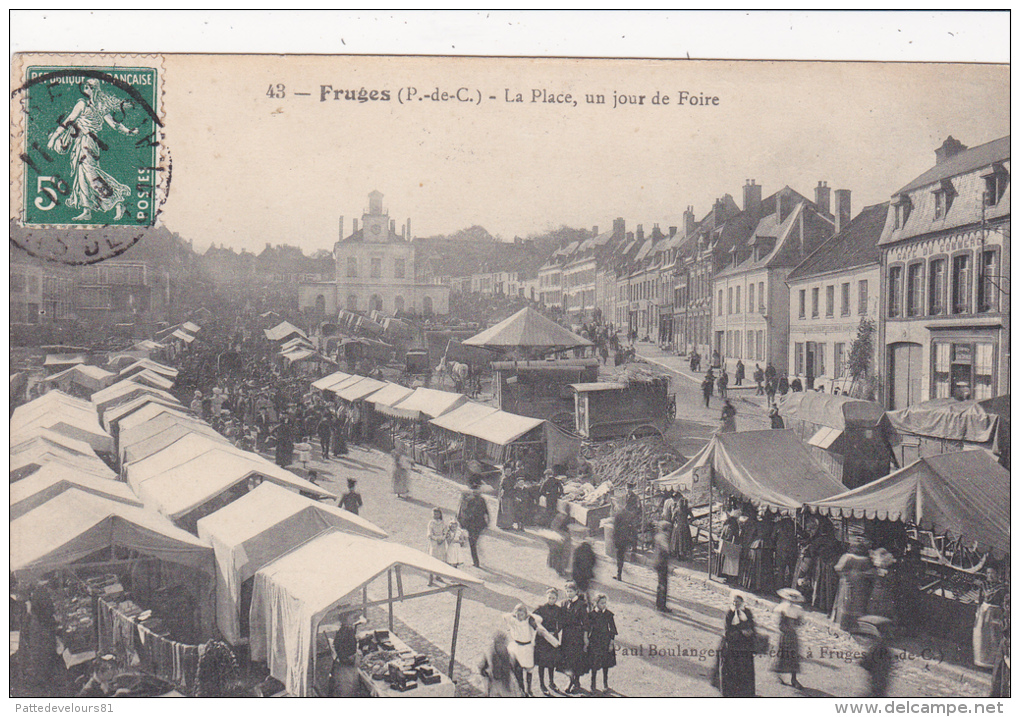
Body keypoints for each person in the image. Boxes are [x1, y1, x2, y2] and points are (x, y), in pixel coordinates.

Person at [46, 77, 136, 221]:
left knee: (90, 175)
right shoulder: (89, 105)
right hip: (81, 143)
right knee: (81, 176)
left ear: (90, 88)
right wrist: (128, 131)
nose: (86, 89)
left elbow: (114, 124)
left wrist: (53, 138)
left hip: (88, 143)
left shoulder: (94, 106)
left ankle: (117, 201)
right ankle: (87, 210)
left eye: (87, 87)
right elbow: (69, 122)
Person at [711, 590, 757, 697]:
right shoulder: (730, 614)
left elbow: (752, 627)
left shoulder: (747, 613)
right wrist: (741, 632)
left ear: (742, 602)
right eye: (734, 602)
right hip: (731, 646)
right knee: (730, 670)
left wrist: (750, 633)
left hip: (744, 647)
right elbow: (727, 631)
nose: (736, 604)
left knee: (744, 670)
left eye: (738, 602)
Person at [832, 540, 874, 633]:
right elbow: (871, 572)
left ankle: (843, 624)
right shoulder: (866, 560)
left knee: (846, 601)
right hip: (861, 584)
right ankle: (856, 625)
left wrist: (844, 575)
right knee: (858, 603)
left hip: (847, 582)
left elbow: (838, 568)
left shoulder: (847, 557)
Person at [771, 588, 805, 689]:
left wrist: (797, 623)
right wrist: (783, 626)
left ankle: (794, 679)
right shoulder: (781, 608)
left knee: (793, 656)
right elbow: (777, 622)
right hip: (784, 634)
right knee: (781, 654)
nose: (791, 600)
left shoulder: (798, 609)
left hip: (792, 635)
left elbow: (800, 622)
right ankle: (778, 675)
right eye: (790, 598)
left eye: (794, 598)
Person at [560, 581, 589, 694]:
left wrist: (585, 637)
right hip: (566, 635)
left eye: (571, 591)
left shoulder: (581, 605)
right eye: (567, 591)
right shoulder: (563, 603)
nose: (569, 593)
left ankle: (575, 682)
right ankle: (571, 681)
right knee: (567, 659)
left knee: (576, 659)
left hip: (577, 635)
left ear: (576, 591)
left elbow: (586, 623)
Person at [974, 567, 1007, 668]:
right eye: (988, 573)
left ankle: (992, 663)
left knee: (993, 637)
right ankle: (980, 660)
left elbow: (1004, 604)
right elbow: (980, 599)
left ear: (998, 575)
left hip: (995, 613)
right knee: (981, 635)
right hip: (983, 612)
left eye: (992, 573)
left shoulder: (1003, 588)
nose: (990, 576)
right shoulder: (984, 585)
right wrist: (978, 610)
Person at [534, 588, 564, 695]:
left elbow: (561, 623)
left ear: (556, 599)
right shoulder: (540, 609)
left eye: (553, 598)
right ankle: (542, 684)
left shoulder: (558, 609)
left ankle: (551, 682)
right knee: (542, 662)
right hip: (542, 639)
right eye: (549, 598)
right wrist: (540, 631)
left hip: (552, 638)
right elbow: (533, 620)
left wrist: (555, 631)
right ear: (546, 597)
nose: (551, 600)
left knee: (551, 662)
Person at [587, 594, 618, 693]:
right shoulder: (591, 615)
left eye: (605, 603)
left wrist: (611, 643)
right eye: (601, 603)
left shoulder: (609, 614)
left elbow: (612, 629)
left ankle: (605, 684)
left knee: (605, 663)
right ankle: (593, 685)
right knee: (594, 664)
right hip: (595, 642)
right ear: (596, 603)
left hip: (605, 641)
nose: (604, 605)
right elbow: (587, 629)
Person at [857, 615, 894, 697]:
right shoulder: (887, 649)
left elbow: (866, 663)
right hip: (882, 682)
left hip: (876, 683)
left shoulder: (876, 648)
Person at [458, 479, 490, 568]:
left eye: (477, 490)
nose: (476, 492)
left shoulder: (480, 500)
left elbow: (486, 512)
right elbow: (464, 511)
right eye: (475, 490)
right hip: (473, 525)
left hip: (477, 525)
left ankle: (476, 562)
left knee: (473, 543)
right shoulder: (470, 500)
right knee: (473, 543)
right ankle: (476, 562)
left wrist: (487, 521)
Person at [479, 632, 523, 697]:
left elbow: (518, 673)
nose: (500, 646)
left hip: (507, 683)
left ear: (506, 643)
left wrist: (520, 688)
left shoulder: (511, 655)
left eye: (502, 643)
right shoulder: (489, 655)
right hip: (495, 683)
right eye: (498, 643)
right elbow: (482, 669)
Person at [612, 504, 636, 581]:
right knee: (621, 556)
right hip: (626, 538)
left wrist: (614, 540)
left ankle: (619, 574)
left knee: (619, 556)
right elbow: (632, 528)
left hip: (619, 539)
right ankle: (619, 573)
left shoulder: (617, 516)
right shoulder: (629, 515)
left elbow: (615, 529)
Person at [653, 520, 673, 613]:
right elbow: (666, 549)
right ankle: (662, 605)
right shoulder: (664, 537)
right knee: (663, 585)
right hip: (662, 563)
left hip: (657, 562)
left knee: (660, 584)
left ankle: (659, 604)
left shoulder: (658, 536)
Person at [670, 493, 695, 561]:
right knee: (685, 541)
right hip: (685, 526)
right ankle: (684, 554)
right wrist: (688, 522)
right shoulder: (687, 510)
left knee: (678, 541)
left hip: (678, 526)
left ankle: (678, 555)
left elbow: (672, 519)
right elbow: (692, 518)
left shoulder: (677, 510)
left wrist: (676, 521)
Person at [427, 508, 448, 586]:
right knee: (432, 560)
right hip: (434, 543)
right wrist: (436, 539)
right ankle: (430, 578)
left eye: (437, 514)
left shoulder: (443, 523)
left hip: (441, 543)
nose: (435, 515)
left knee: (440, 559)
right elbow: (429, 533)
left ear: (440, 514)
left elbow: (445, 532)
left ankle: (438, 576)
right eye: (434, 514)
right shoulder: (431, 523)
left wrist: (442, 539)